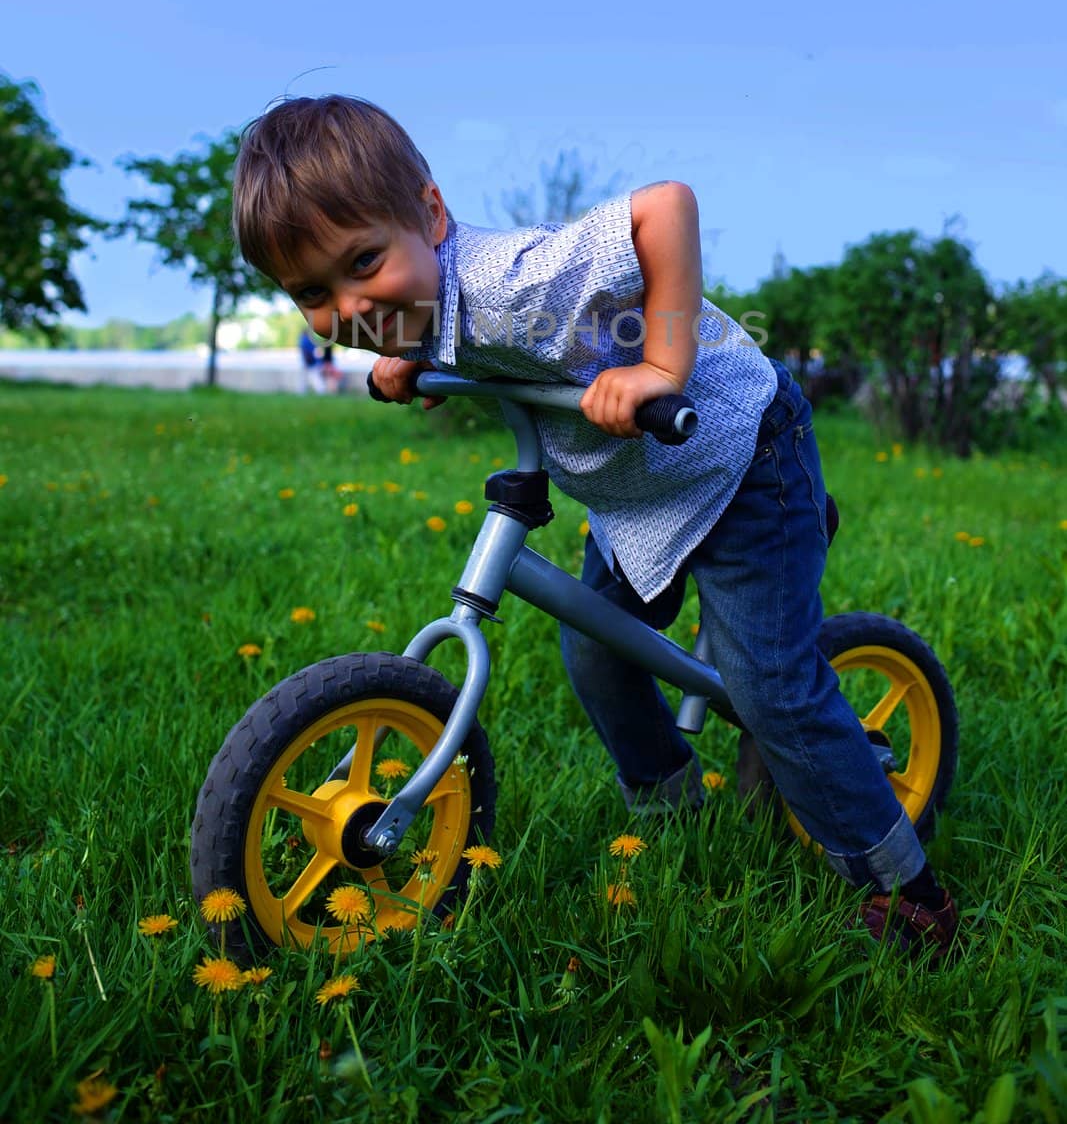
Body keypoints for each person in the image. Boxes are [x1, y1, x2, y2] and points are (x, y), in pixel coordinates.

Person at [232, 94, 958, 963]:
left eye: (363, 263)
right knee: (596, 650)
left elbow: (666, 208)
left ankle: (904, 891)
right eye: (315, 293)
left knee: (768, 686)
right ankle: (673, 812)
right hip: (637, 490)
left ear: (430, 213)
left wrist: (659, 364)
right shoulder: (423, 304)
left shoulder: (516, 281)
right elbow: (439, 321)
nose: (348, 306)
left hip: (736, 455)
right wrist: (406, 358)